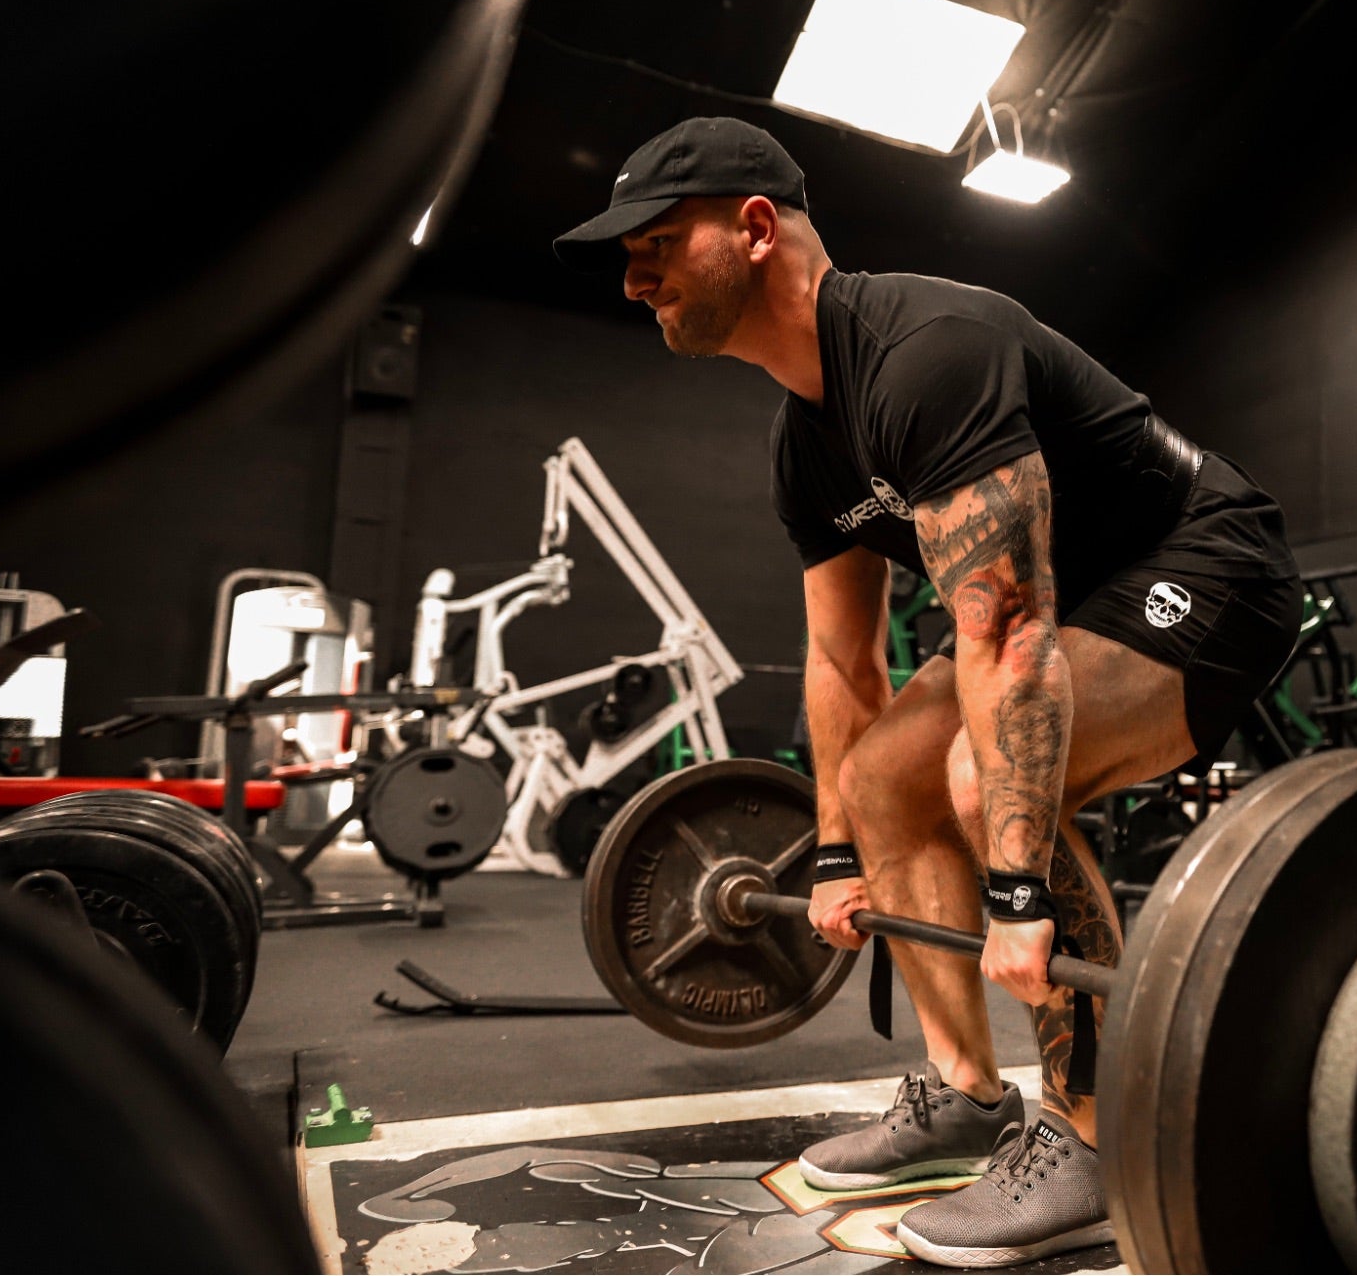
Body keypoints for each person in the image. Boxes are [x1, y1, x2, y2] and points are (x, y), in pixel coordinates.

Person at [554, 116, 1301, 1268]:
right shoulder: (806, 442)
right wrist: (842, 849)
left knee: (977, 771)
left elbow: (1002, 622)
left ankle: (1100, 1135)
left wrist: (1015, 890)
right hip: (1063, 592)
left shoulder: (924, 348)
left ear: (755, 229)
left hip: (1209, 566)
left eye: (656, 239)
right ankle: (965, 1091)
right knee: (883, 775)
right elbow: (841, 663)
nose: (630, 273)